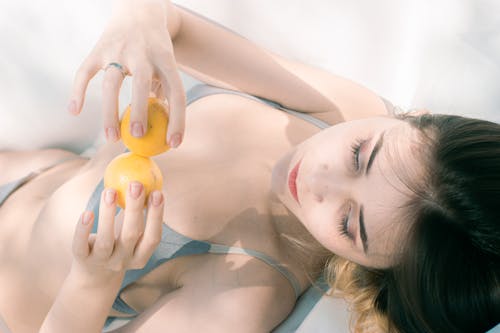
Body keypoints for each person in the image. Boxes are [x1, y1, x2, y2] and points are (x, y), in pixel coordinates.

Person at [0, 0, 498, 332]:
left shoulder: (244, 298)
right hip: (27, 172)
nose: (320, 181)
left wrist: (94, 282)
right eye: (359, 154)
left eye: (349, 224)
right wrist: (141, 24)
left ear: (377, 272)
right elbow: (174, 26)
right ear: (416, 119)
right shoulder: (346, 110)